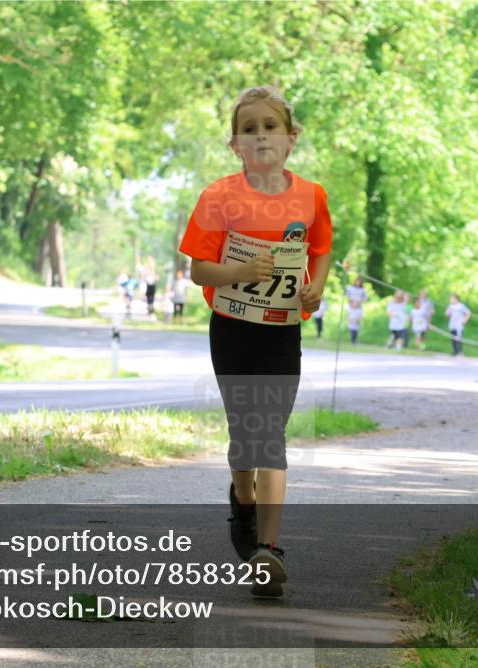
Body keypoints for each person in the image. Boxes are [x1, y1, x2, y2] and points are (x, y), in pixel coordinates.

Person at [178, 85, 333, 596]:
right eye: (250, 128)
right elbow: (198, 266)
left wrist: (315, 289)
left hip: (282, 330)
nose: (260, 136)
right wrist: (241, 269)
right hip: (233, 327)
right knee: (245, 435)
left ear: (291, 140)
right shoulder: (219, 196)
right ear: (235, 144)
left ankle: (269, 551)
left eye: (270, 127)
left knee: (271, 435)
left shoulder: (311, 196)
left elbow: (321, 249)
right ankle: (241, 497)